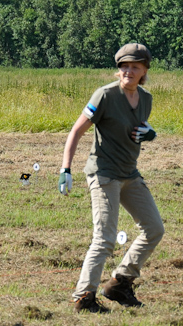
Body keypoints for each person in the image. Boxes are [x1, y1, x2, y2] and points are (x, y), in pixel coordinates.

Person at [59, 42, 165, 312]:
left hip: (130, 173)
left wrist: (149, 133)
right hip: (104, 174)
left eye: (135, 67)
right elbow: (76, 131)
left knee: (154, 229)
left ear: (145, 70)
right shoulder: (104, 95)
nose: (128, 71)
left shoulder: (146, 99)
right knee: (105, 238)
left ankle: (120, 283)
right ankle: (83, 297)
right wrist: (65, 169)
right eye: (124, 66)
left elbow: (137, 129)